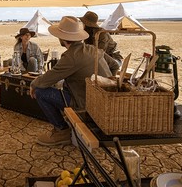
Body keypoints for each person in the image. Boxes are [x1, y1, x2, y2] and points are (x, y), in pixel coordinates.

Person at [30, 16, 119, 146]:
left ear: (61, 38)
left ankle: (62, 131)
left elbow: (47, 79)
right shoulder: (93, 49)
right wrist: (107, 82)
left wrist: (33, 84)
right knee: (63, 86)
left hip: (85, 105)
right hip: (103, 104)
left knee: (40, 92)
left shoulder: (71, 56)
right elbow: (115, 65)